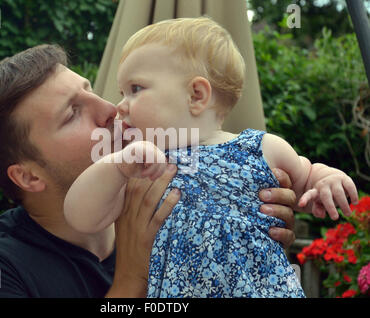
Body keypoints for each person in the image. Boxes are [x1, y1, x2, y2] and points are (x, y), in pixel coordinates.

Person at [0, 44, 298, 298]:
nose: (109, 108)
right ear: (29, 177)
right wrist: (131, 277)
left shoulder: (181, 199)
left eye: (89, 89)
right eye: (72, 113)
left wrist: (253, 231)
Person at [63, 17, 359, 298]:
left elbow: (306, 178)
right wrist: (116, 166)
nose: (120, 106)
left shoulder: (261, 147)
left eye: (135, 89)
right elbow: (81, 216)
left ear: (196, 95)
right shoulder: (140, 169)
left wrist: (325, 179)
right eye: (122, 92)